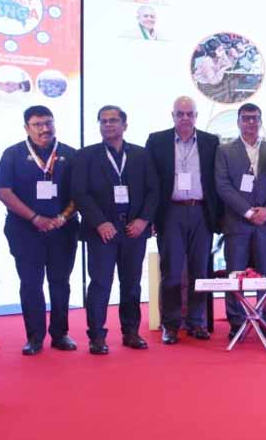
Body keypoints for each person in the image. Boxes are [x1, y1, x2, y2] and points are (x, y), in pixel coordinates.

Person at [72, 105, 159, 355]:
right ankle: (97, 337)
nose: (108, 125)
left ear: (125, 125)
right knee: (100, 284)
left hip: (134, 230)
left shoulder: (142, 155)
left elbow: (154, 190)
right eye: (103, 121)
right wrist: (99, 222)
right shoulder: (85, 156)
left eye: (113, 120)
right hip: (101, 231)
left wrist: (144, 220)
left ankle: (131, 332)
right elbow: (79, 193)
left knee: (131, 284)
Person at [0, 106, 79, 355]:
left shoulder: (70, 154)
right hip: (24, 230)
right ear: (27, 128)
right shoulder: (12, 154)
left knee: (60, 283)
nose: (44, 129)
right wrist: (35, 218)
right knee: (31, 283)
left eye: (48, 123)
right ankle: (34, 337)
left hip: (63, 230)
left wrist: (62, 218)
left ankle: (60, 334)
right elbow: (3, 192)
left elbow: (81, 192)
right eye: (37, 124)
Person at [145, 96, 220, 344]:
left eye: (189, 114)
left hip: (201, 211)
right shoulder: (157, 141)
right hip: (171, 212)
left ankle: (197, 322)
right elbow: (150, 182)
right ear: (173, 116)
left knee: (200, 271)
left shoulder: (211, 142)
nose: (185, 118)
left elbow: (216, 181)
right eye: (180, 114)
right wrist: (151, 217)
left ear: (196, 116)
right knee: (172, 273)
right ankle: (171, 325)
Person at [214, 103, 266, 339]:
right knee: (235, 277)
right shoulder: (224, 151)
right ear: (238, 122)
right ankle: (236, 323)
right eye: (246, 118)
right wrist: (248, 212)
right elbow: (222, 185)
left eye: (255, 118)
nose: (251, 122)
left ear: (261, 121)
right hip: (237, 224)